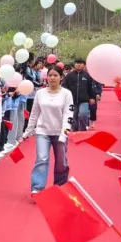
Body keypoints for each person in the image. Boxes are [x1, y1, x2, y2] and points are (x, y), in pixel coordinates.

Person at [24, 64, 74, 195]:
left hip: (60, 132)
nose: (52, 78)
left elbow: (69, 114)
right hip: (43, 131)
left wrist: (64, 133)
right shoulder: (40, 93)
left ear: (61, 77)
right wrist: (28, 131)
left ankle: (60, 185)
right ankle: (37, 187)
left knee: (61, 161)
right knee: (42, 159)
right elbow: (34, 113)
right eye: (50, 75)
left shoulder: (66, 94)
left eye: (55, 75)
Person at [63, 58, 96, 131]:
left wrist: (92, 97)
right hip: (72, 100)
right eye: (77, 63)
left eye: (80, 63)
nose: (78, 64)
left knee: (83, 114)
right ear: (74, 65)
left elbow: (91, 87)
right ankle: (75, 130)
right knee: (74, 116)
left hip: (84, 99)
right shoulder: (69, 76)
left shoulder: (87, 75)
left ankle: (82, 130)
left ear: (84, 65)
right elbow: (64, 86)